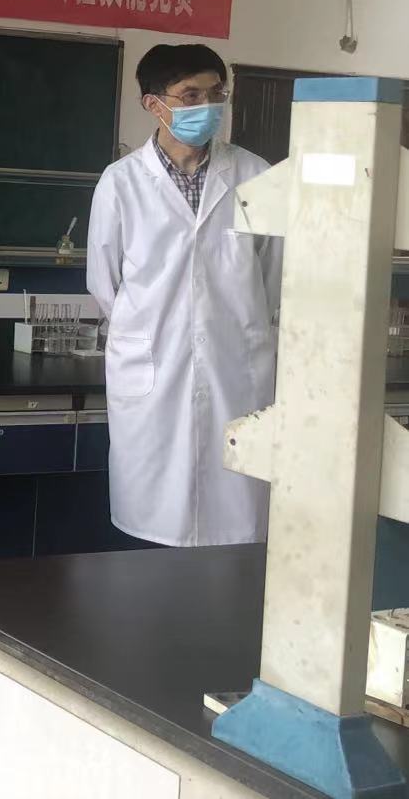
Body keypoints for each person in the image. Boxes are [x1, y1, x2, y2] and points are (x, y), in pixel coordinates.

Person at [87, 43, 282, 548]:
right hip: (155, 372)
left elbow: (274, 276)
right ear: (154, 104)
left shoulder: (256, 176)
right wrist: (154, 327)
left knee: (236, 527)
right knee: (153, 531)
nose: (208, 106)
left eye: (216, 94)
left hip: (235, 371)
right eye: (190, 95)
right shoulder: (121, 183)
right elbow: (105, 285)